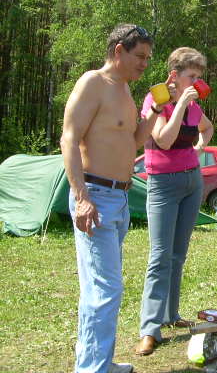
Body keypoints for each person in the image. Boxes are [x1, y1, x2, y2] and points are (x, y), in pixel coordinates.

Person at [61, 24, 169, 373]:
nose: (144, 65)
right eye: (140, 56)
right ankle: (93, 369)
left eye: (148, 58)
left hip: (118, 199)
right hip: (95, 197)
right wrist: (81, 197)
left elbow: (134, 141)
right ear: (119, 50)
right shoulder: (93, 83)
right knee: (105, 290)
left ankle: (97, 362)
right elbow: (69, 139)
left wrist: (157, 108)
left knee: (98, 289)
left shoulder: (124, 90)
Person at [135, 47, 214, 356]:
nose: (196, 82)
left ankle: (170, 315)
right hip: (163, 185)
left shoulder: (194, 106)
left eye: (199, 76)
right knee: (160, 256)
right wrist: (179, 103)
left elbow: (207, 127)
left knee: (178, 254)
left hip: (192, 182)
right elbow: (164, 140)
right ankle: (149, 329)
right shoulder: (155, 99)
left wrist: (199, 148)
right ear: (175, 76)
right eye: (191, 76)